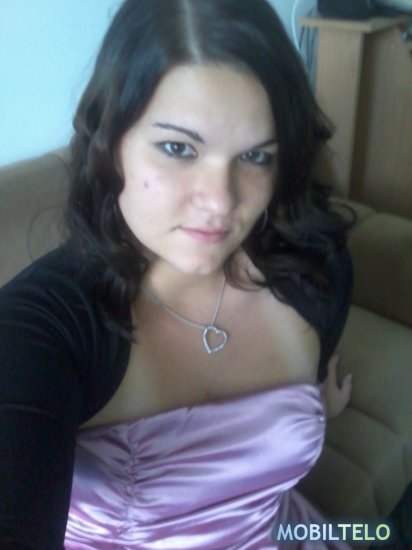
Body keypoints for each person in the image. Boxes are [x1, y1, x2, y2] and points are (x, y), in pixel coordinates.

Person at [0, 0, 354, 548]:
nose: (221, 202)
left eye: (256, 156)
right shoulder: (43, 328)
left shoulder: (316, 265)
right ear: (110, 142)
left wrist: (316, 409)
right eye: (178, 148)